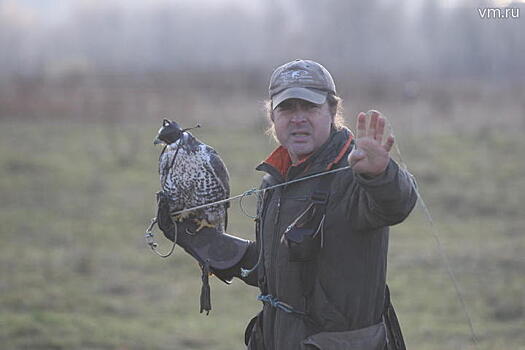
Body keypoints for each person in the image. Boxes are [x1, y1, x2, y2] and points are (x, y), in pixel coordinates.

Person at [157, 59, 417, 350]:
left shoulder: (355, 175)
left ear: (332, 111)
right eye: (287, 108)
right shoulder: (275, 181)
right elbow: (278, 271)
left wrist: (381, 175)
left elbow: (398, 204)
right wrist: (205, 241)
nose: (298, 118)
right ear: (272, 116)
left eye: (309, 107)